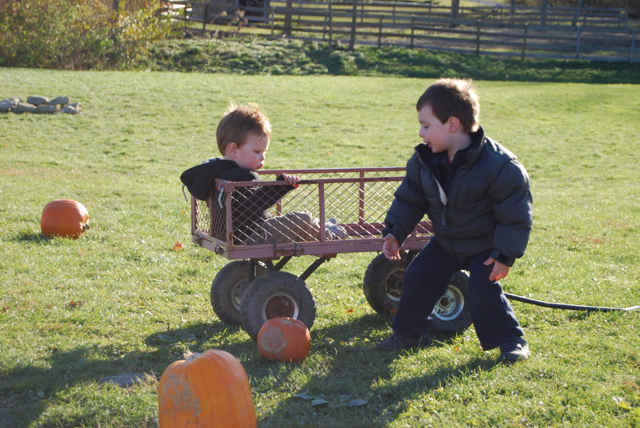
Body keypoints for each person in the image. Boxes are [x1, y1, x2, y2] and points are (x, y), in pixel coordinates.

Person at [377, 79, 533, 363]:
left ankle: (511, 340)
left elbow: (515, 216)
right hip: (447, 242)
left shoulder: (500, 166)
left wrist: (504, 255)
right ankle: (409, 335)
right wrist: (394, 233)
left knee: (482, 288)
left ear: (452, 124)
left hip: (485, 245)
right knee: (418, 277)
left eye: (426, 125)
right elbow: (410, 200)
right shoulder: (424, 161)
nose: (420, 132)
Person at [180, 103, 345, 244]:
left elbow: (245, 210)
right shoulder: (243, 176)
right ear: (233, 149)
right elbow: (251, 207)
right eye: (257, 151)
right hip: (250, 237)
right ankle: (331, 235)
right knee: (302, 218)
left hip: (230, 234)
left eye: (264, 152)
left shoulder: (215, 170)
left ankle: (322, 227)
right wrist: (281, 186)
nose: (263, 157)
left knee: (291, 220)